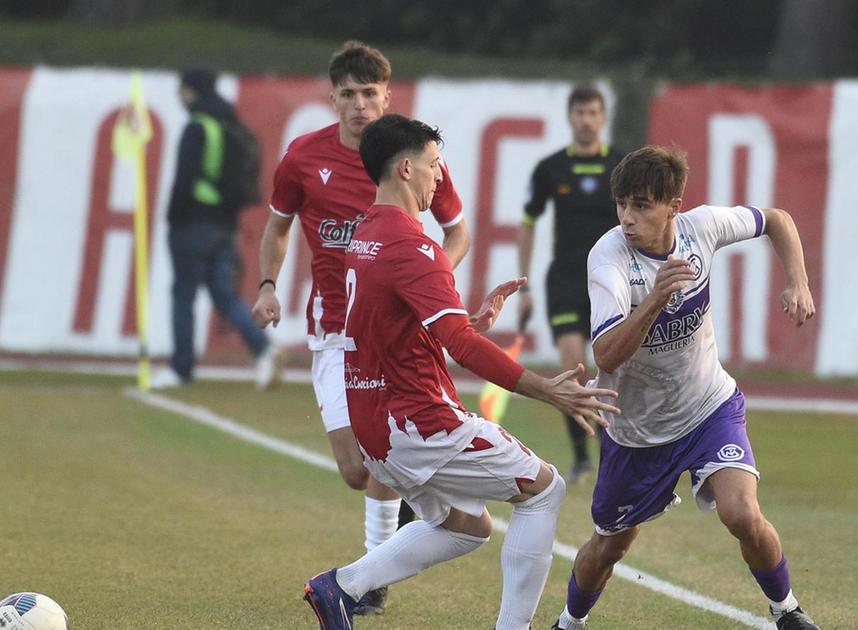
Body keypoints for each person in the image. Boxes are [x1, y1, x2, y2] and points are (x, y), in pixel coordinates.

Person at [301, 113, 619, 630]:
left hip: (375, 423)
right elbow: (460, 347)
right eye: (434, 165)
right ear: (406, 168)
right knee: (545, 488)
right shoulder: (415, 244)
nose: (439, 177)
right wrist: (546, 390)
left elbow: (394, 322)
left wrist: (466, 322)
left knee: (468, 525)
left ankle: (341, 587)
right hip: (420, 422)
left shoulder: (363, 235)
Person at [551, 146, 820, 630]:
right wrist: (655, 299)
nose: (627, 218)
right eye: (621, 205)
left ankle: (789, 612)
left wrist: (797, 281)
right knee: (610, 545)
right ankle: (569, 622)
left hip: (708, 407)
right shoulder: (608, 259)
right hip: (636, 431)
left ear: (674, 205)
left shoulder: (703, 227)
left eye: (641, 205)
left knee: (741, 512)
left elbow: (777, 219)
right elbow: (606, 355)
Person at [250, 41, 470, 616]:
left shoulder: (415, 155)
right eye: (348, 94)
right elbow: (276, 230)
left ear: (387, 96)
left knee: (382, 457)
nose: (359, 104)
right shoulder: (303, 157)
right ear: (333, 99)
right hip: (332, 332)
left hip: (396, 332)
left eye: (369, 93)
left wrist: (427, 279)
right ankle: (407, 521)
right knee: (356, 469)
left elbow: (457, 231)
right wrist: (268, 286)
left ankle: (370, 579)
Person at [517, 85, 626, 483]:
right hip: (564, 279)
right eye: (579, 112)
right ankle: (582, 457)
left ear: (603, 118)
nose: (585, 120)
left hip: (609, 280)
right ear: (570, 117)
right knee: (572, 367)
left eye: (592, 113)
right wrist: (525, 286)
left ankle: (613, 454)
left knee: (611, 368)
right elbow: (527, 223)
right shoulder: (550, 169)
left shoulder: (620, 166)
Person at [152, 65, 279, 390]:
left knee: (183, 295)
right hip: (226, 224)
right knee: (223, 293)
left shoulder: (198, 127)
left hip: (193, 222)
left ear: (190, 90)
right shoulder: (231, 124)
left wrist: (172, 219)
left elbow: (185, 180)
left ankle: (181, 369)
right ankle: (263, 349)